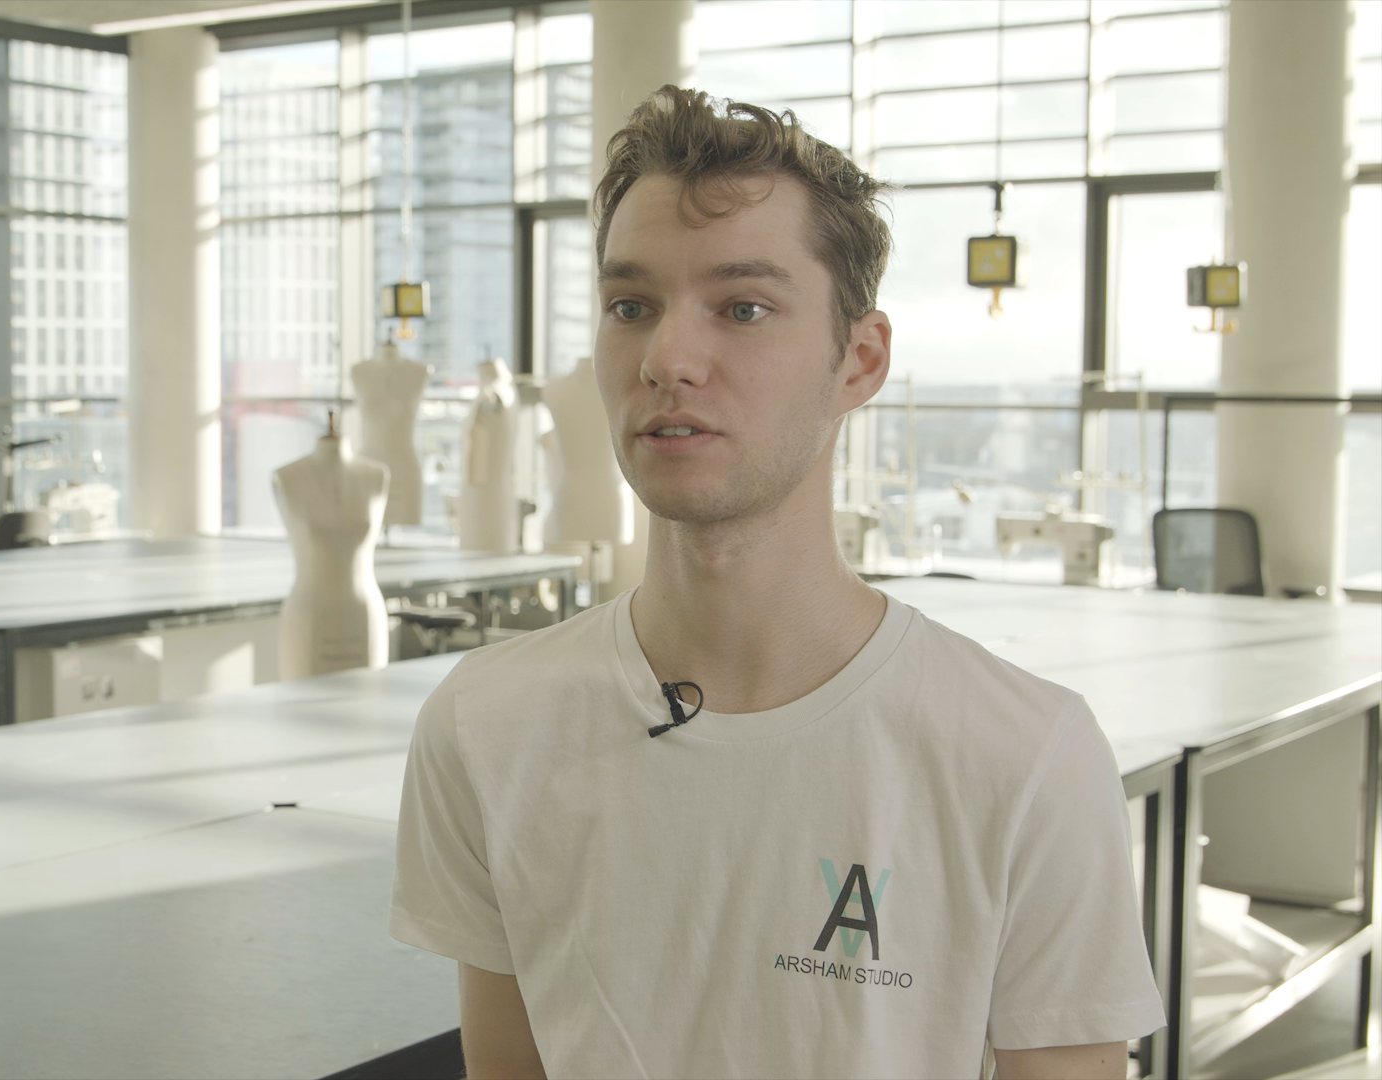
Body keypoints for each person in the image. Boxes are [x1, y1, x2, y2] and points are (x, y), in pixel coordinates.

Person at [389, 87, 1163, 1080]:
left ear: (860, 358)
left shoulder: (1024, 759)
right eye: (632, 307)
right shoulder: (485, 727)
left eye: (743, 307)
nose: (668, 357)